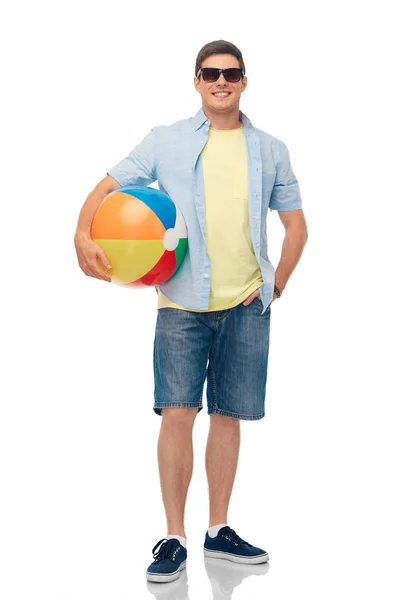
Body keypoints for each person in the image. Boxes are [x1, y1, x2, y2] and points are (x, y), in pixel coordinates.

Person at [74, 39, 308, 584]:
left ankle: (218, 530)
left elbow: (296, 225)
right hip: (180, 303)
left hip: (248, 302)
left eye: (231, 73)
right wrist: (81, 233)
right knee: (178, 413)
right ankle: (174, 537)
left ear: (245, 80)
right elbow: (106, 186)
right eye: (210, 73)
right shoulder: (166, 142)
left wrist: (277, 283)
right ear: (196, 81)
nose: (220, 81)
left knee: (229, 415)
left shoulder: (271, 149)